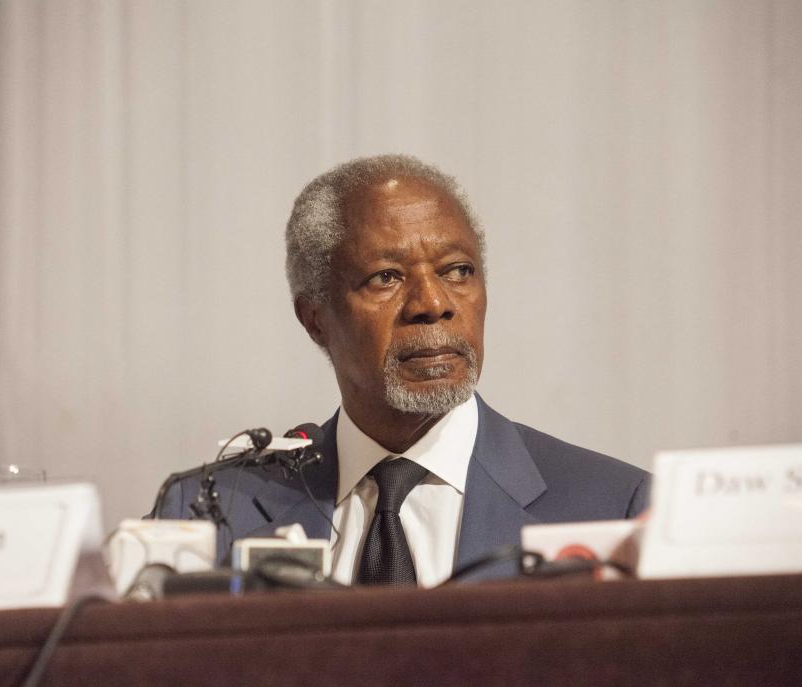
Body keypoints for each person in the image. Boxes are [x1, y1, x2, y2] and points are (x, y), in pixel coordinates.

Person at [152, 154, 649, 585]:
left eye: (458, 270)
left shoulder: (614, 505)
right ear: (315, 319)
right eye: (385, 277)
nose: (433, 304)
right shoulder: (208, 513)